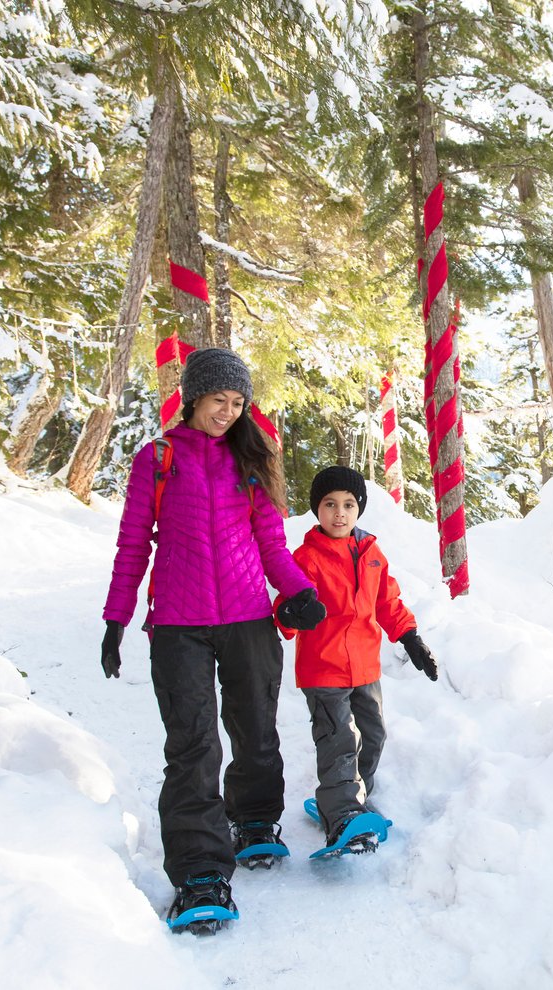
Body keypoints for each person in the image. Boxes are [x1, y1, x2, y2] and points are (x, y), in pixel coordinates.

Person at [99, 347, 326, 932]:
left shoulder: (252, 457)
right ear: (193, 396)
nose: (227, 412)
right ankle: (200, 872)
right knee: (193, 743)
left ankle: (253, 820)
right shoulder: (159, 458)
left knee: (255, 726)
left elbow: (271, 542)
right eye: (218, 400)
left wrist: (296, 590)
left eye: (237, 402)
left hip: (250, 616)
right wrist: (116, 618)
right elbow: (133, 544)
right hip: (179, 623)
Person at [275, 465, 439, 853]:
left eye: (348, 504)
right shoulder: (306, 558)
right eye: (330, 504)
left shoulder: (371, 553)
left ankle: (348, 798)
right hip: (324, 669)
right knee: (338, 741)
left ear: (359, 509)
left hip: (365, 668)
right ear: (317, 509)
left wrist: (410, 637)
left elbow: (388, 601)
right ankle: (344, 814)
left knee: (373, 735)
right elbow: (285, 602)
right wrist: (291, 614)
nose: (339, 513)